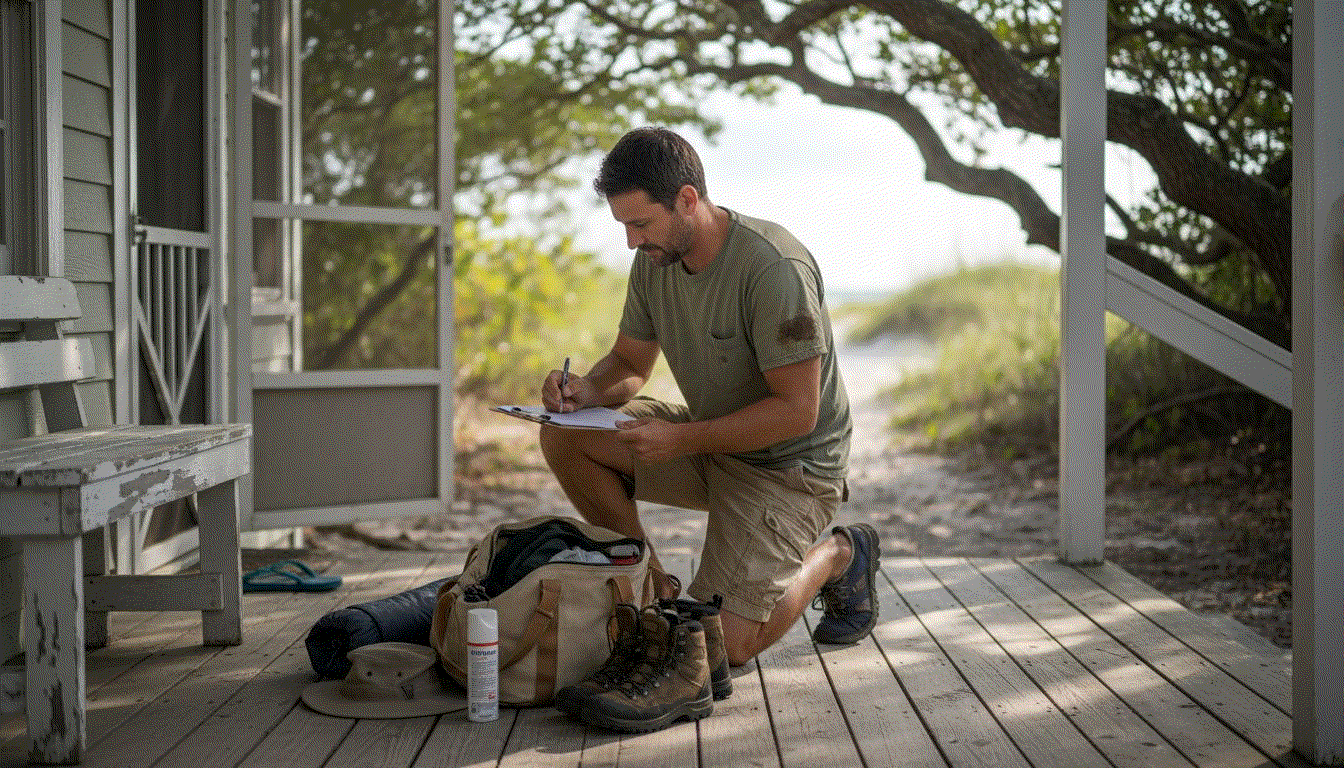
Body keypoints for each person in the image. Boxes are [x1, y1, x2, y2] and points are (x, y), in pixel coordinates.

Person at [538, 127, 879, 669]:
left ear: (687, 200)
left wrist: (681, 440)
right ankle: (649, 588)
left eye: (640, 224)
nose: (630, 242)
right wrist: (587, 391)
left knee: (724, 645)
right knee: (564, 435)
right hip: (708, 441)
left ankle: (841, 553)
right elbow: (629, 364)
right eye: (623, 226)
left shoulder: (774, 269)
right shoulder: (655, 260)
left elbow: (798, 412)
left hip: (790, 468)